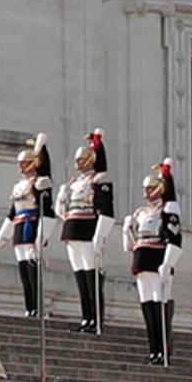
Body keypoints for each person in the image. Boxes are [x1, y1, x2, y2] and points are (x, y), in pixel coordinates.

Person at [126, 158, 185, 364]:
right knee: (147, 306)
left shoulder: (168, 209)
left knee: (160, 305)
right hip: (141, 260)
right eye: (145, 189)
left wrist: (168, 262)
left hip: (158, 259)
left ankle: (164, 349)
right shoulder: (140, 212)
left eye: (150, 188)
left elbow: (175, 237)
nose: (146, 193)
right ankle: (153, 349)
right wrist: (127, 230)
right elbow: (131, 243)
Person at [59, 131, 112, 333]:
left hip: (89, 229)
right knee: (80, 276)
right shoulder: (73, 183)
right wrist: (60, 198)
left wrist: (100, 235)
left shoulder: (100, 179)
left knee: (92, 276)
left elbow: (107, 210)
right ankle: (86, 318)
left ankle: (96, 319)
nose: (78, 163)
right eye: (77, 159)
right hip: (72, 229)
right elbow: (62, 211)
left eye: (81, 159)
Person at [7, 139, 52, 317]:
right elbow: (12, 212)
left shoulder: (41, 183)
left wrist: (41, 235)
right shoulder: (18, 185)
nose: (21, 166)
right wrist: (3, 235)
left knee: (33, 269)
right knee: (24, 270)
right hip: (19, 227)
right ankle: (29, 306)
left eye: (24, 163)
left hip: (32, 225)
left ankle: (38, 307)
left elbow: (46, 210)